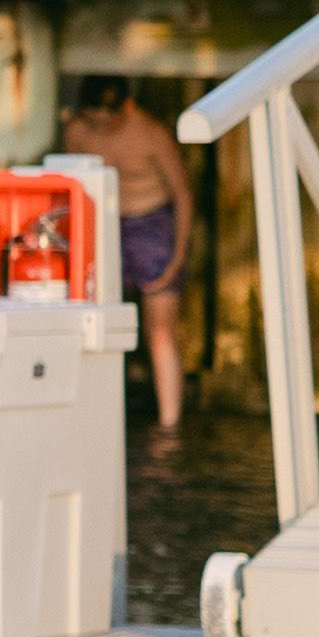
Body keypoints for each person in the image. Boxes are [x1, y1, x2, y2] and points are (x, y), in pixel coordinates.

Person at [59, 77, 199, 426]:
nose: (102, 128)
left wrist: (178, 255)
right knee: (93, 320)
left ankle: (170, 423)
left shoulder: (151, 133)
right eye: (94, 121)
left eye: (109, 121)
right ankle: (92, 415)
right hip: (103, 223)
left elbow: (182, 193)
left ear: (127, 107)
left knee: (160, 328)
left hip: (152, 224)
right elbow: (67, 187)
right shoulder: (76, 131)